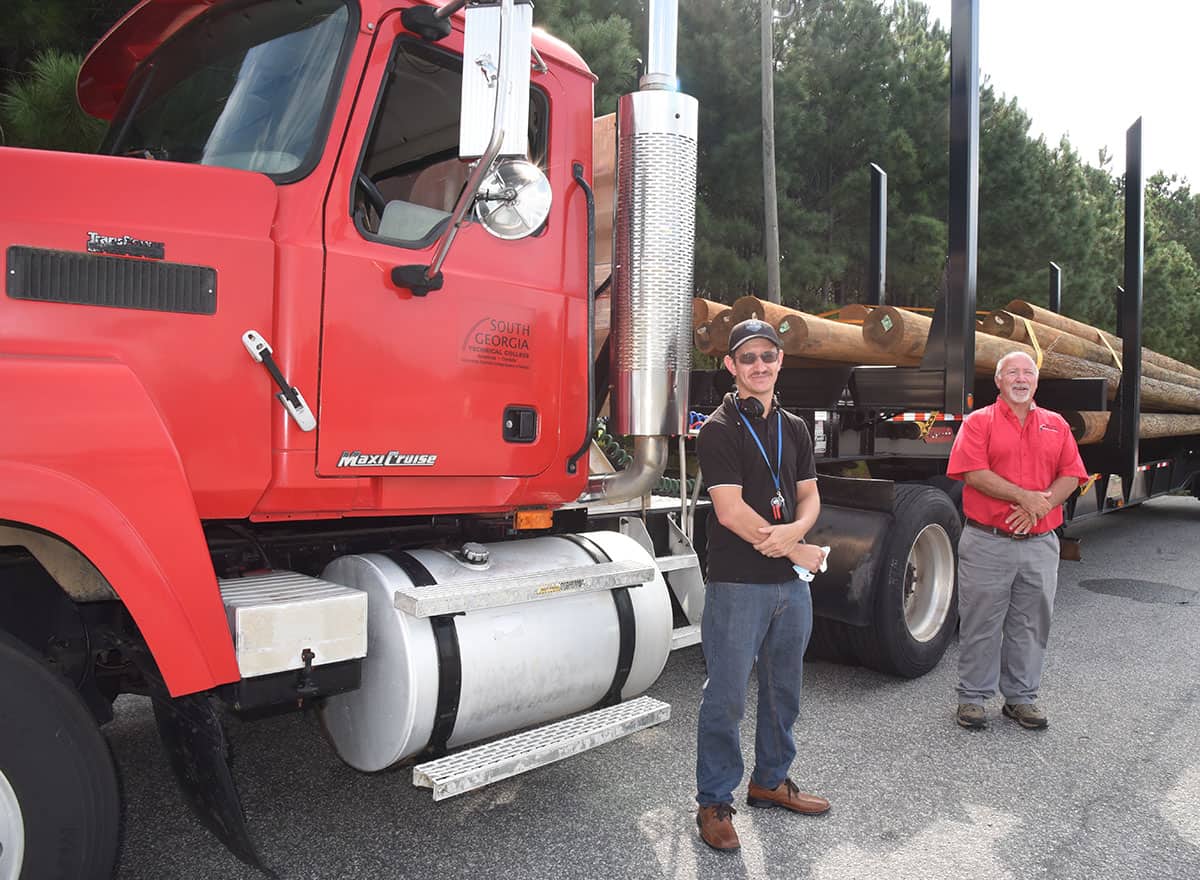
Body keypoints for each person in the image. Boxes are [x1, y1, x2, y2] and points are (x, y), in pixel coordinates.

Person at [693, 318, 831, 853]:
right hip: (738, 583)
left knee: (783, 692)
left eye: (767, 357)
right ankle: (714, 800)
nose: (758, 366)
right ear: (730, 366)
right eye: (747, 358)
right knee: (725, 697)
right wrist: (797, 548)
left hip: (789, 586)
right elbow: (729, 512)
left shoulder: (794, 427)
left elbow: (810, 495)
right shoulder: (719, 429)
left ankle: (770, 781)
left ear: (779, 362)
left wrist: (796, 532)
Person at [946, 350, 1088, 731]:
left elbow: (1072, 475)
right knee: (980, 621)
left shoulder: (1056, 425)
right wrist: (1024, 497)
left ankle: (1021, 699)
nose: (1021, 378)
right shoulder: (979, 422)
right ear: (999, 381)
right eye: (1012, 372)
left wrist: (1038, 508)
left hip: (1040, 543)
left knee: (1031, 622)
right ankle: (973, 699)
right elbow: (973, 472)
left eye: (1028, 372)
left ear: (1036, 382)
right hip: (987, 541)